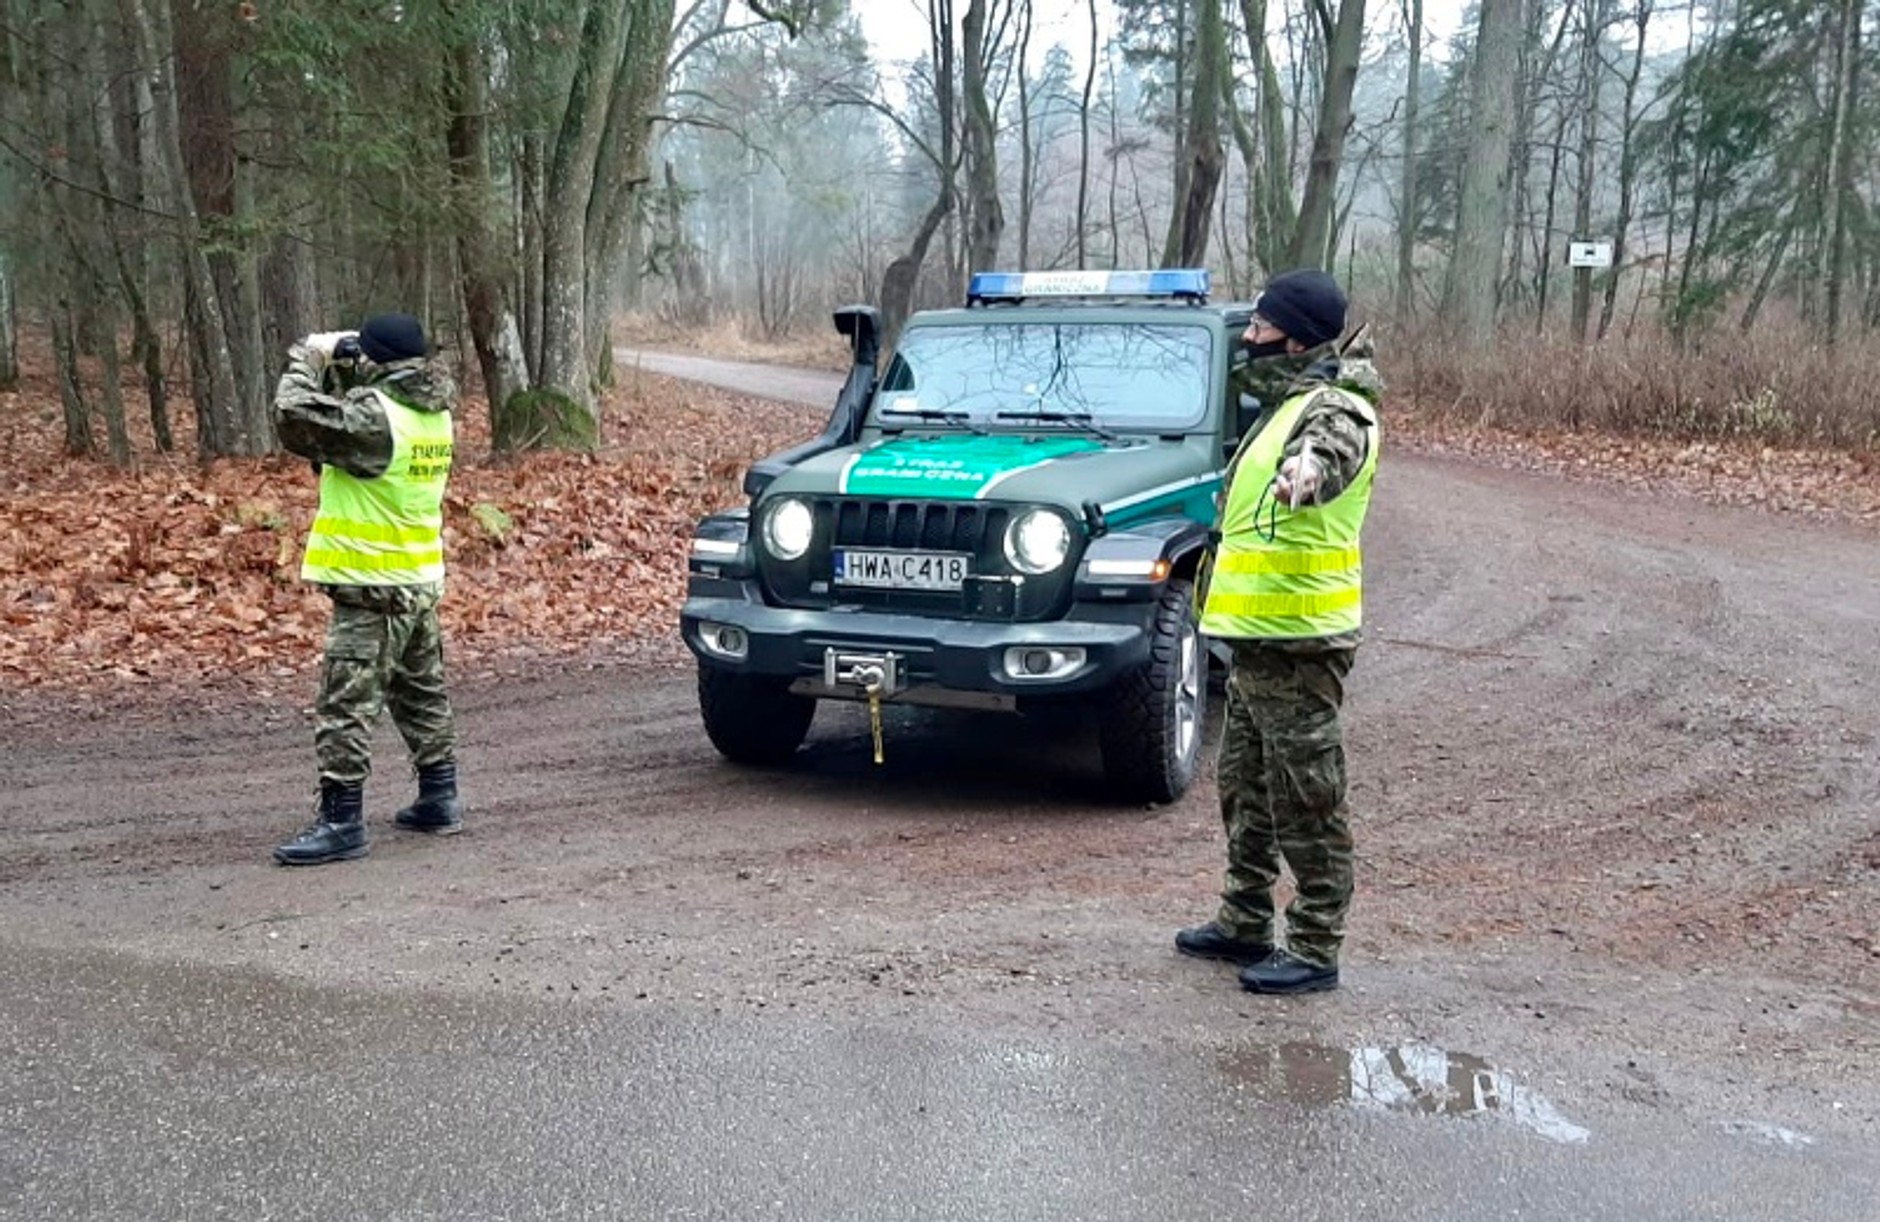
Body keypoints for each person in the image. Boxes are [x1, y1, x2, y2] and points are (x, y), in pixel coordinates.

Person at [1176, 269, 1383, 993]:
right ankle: (1243, 920)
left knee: (1308, 796)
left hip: (1302, 647)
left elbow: (1331, 453)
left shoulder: (1336, 409)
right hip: (1259, 642)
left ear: (1294, 336)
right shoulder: (1284, 404)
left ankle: (1316, 945)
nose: (1250, 338)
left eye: (1261, 328)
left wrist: (1307, 474)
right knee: (1248, 790)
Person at [271, 313, 465, 866]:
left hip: (372, 588)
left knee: (346, 703)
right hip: (416, 578)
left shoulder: (375, 417)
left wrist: (309, 358)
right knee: (420, 692)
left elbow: (294, 415)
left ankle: (341, 820)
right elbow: (340, 447)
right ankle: (439, 796)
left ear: (376, 361)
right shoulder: (431, 412)